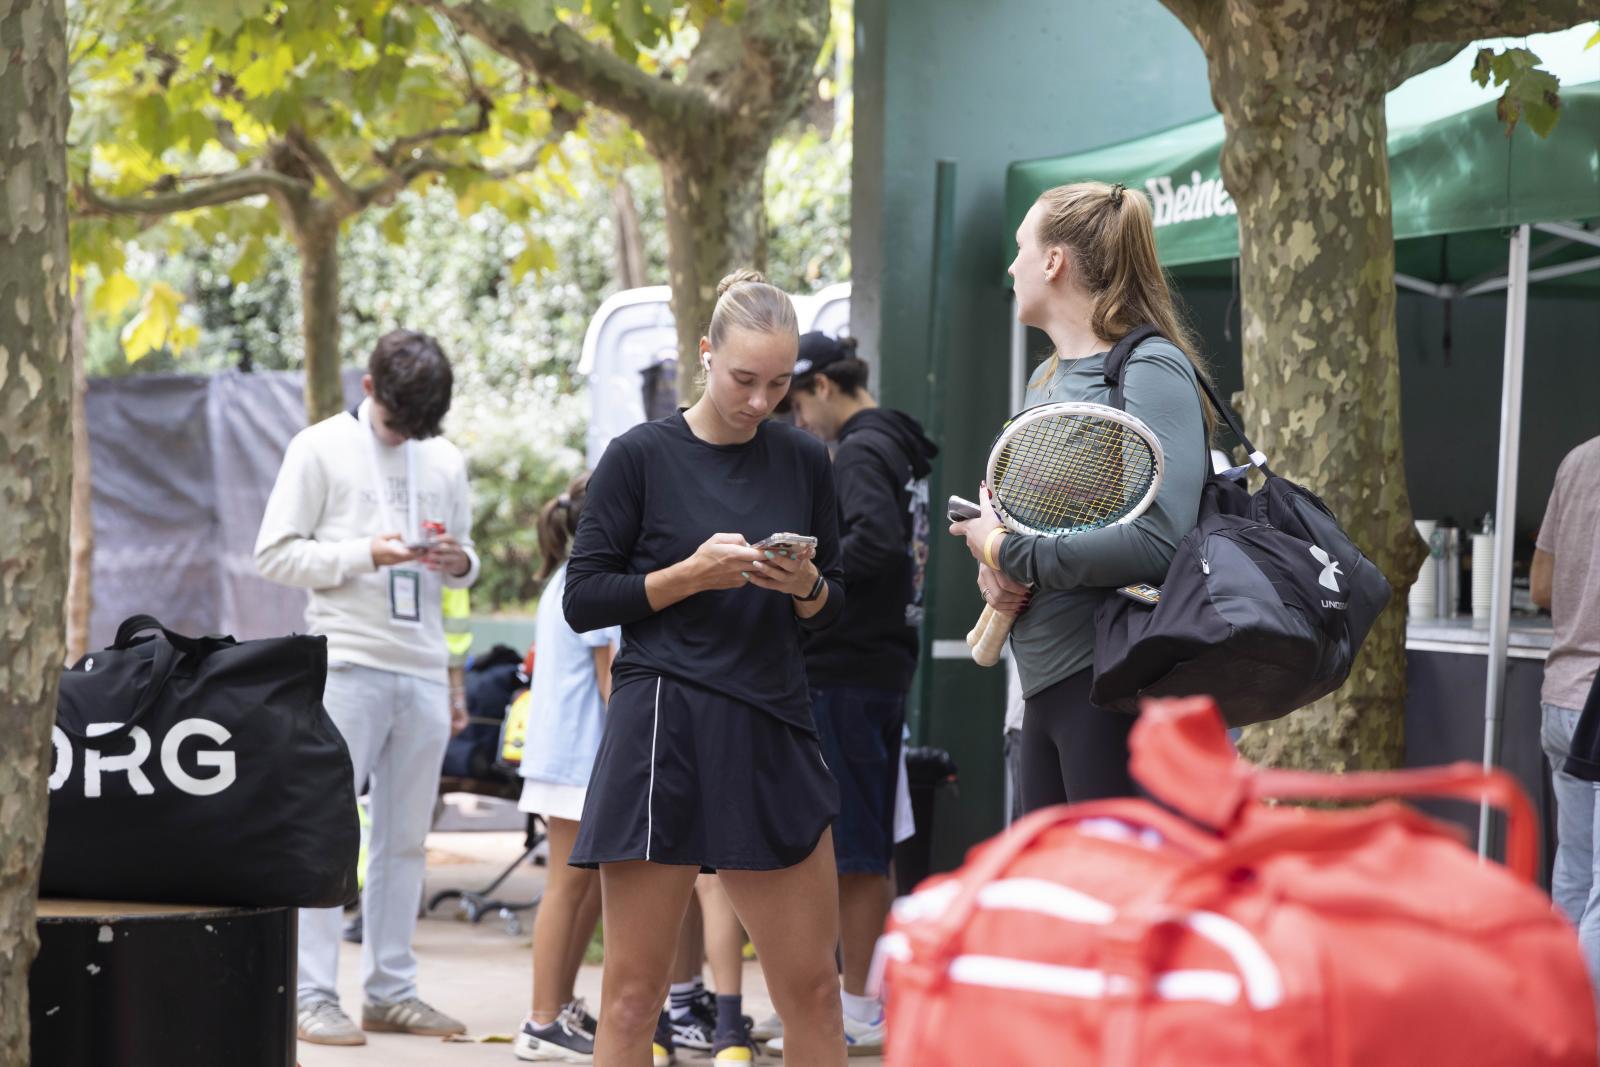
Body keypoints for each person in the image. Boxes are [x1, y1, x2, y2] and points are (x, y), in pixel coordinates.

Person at [564, 269, 849, 1067]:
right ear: (705, 354)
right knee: (630, 998)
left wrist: (808, 587)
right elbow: (583, 598)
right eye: (743, 379)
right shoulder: (639, 457)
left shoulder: (804, 460)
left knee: (816, 993)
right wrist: (687, 575)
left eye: (781, 383)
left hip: (772, 720)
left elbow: (837, 616)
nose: (761, 401)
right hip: (665, 723)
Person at [949, 181, 1212, 812]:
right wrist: (995, 570)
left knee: (1118, 904)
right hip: (1041, 689)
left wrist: (1010, 554)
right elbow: (1030, 532)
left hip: (1113, 683)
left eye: (1021, 248)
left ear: (1053, 261)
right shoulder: (1049, 378)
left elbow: (1158, 540)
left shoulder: (1152, 367)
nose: (1011, 267)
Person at [255, 329, 478, 1046]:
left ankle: (391, 988)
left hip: (419, 660)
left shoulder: (442, 456)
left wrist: (457, 559)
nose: (405, 436)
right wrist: (364, 553)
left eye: (418, 427)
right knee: (328, 833)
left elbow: (465, 565)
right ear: (368, 388)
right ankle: (314, 993)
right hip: (346, 657)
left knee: (405, 838)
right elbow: (275, 553)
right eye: (396, 421)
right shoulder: (317, 447)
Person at [771, 332, 938, 1056]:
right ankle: (866, 995)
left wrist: (806, 567)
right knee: (868, 832)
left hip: (848, 668)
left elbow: (874, 546)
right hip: (880, 665)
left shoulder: (863, 450)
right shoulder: (898, 447)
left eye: (798, 403)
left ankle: (859, 1005)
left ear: (825, 388)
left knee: (854, 845)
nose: (799, 422)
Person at [513, 472, 616, 1062]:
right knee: (567, 887)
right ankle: (542, 1019)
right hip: (578, 758)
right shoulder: (594, 582)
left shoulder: (567, 577)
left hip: (567, 755)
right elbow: (611, 686)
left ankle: (557, 1008)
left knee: (582, 888)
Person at [1531, 437, 1600, 1010]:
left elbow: (1542, 587)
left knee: (1574, 877)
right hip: (1595, 703)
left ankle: (1557, 1022)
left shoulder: (1576, 460)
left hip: (1561, 696)